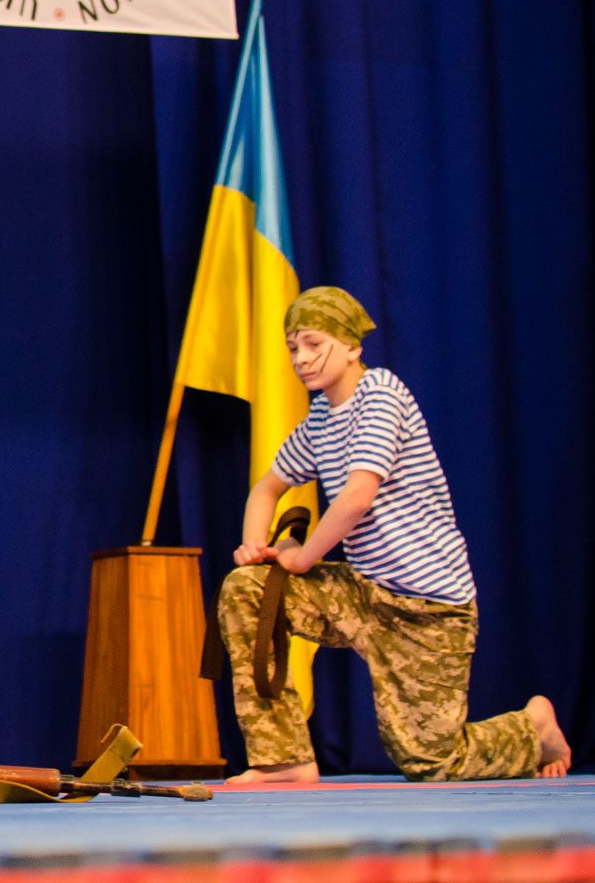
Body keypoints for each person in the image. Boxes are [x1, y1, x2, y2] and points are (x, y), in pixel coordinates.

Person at [218, 286, 571, 783]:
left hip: (428, 607)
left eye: (314, 344)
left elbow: (357, 497)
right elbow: (266, 488)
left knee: (431, 762)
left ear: (352, 346)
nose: (301, 359)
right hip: (365, 593)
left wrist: (302, 557)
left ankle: (533, 728)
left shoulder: (381, 394)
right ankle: (284, 760)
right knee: (248, 589)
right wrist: (255, 545)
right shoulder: (320, 418)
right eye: (293, 347)